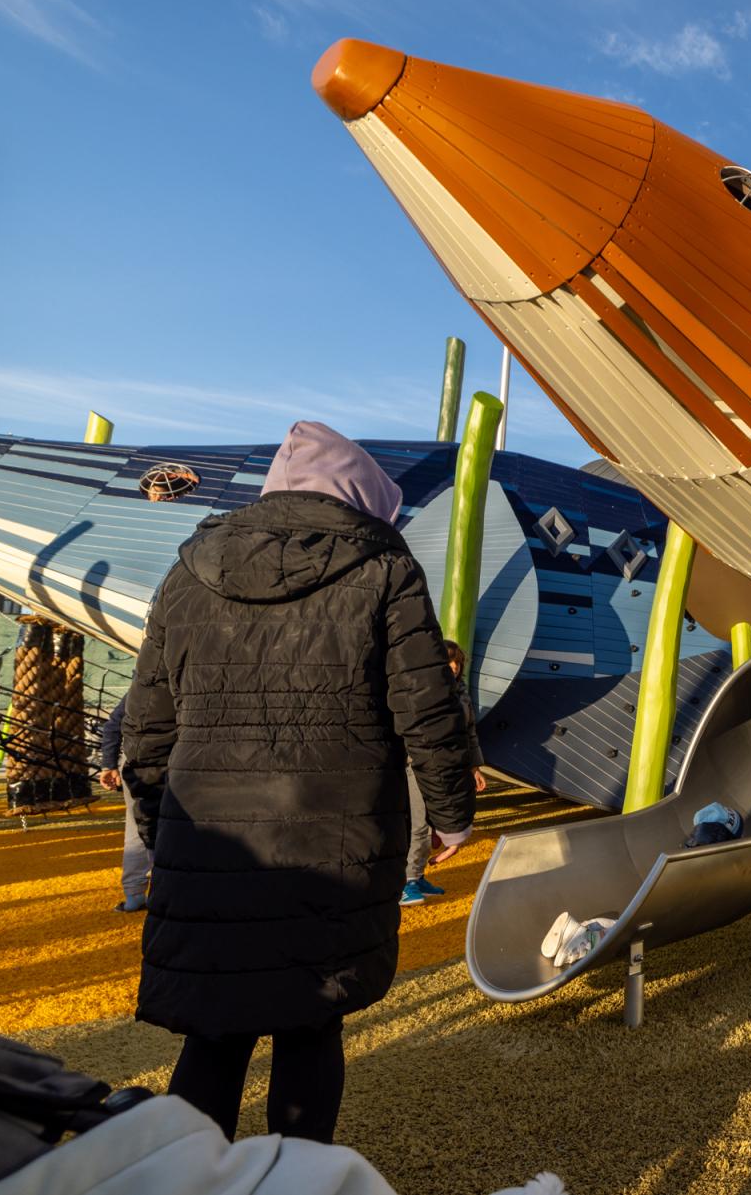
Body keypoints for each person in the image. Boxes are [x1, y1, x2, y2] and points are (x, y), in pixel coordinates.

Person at [122, 421, 477, 1145]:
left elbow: (147, 722)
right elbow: (425, 704)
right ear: (361, 500)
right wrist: (450, 814)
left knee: (213, 1034)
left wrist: (163, 829)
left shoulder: (188, 571)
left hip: (212, 845)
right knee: (311, 1025)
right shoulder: (384, 567)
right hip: (335, 837)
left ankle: (187, 1181)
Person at [401, 640, 489, 905]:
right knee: (417, 824)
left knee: (432, 822)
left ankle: (417, 875)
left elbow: (469, 733)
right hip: (420, 764)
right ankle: (405, 883)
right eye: (448, 661)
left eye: (457, 662)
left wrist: (474, 768)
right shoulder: (423, 692)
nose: (453, 666)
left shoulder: (461, 693)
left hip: (448, 767)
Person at [95, 696, 153, 913]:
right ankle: (164, 890)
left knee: (136, 826)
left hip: (135, 762)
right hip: (172, 763)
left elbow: (112, 727)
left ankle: (134, 893)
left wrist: (109, 764)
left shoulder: (141, 686)